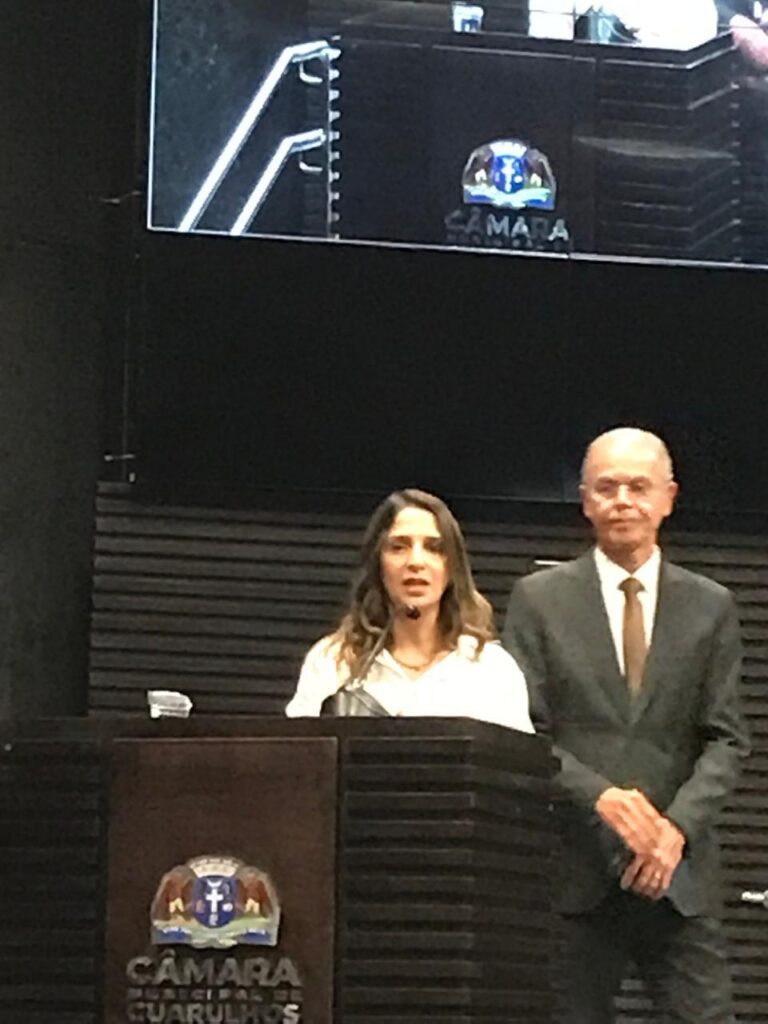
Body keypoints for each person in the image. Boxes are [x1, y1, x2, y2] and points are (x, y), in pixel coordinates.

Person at [502, 427, 749, 1023]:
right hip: (577, 874)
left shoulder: (711, 606)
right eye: (606, 487)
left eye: (638, 487)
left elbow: (727, 739)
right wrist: (602, 798)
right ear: (584, 500)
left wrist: (674, 831)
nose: (623, 501)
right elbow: (523, 734)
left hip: (678, 874)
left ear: (668, 498)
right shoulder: (538, 600)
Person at [286, 488, 533, 731]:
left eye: (434, 548)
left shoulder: (492, 669)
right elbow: (299, 750)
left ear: (452, 567)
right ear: (378, 563)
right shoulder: (332, 662)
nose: (416, 561)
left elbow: (518, 757)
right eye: (398, 547)